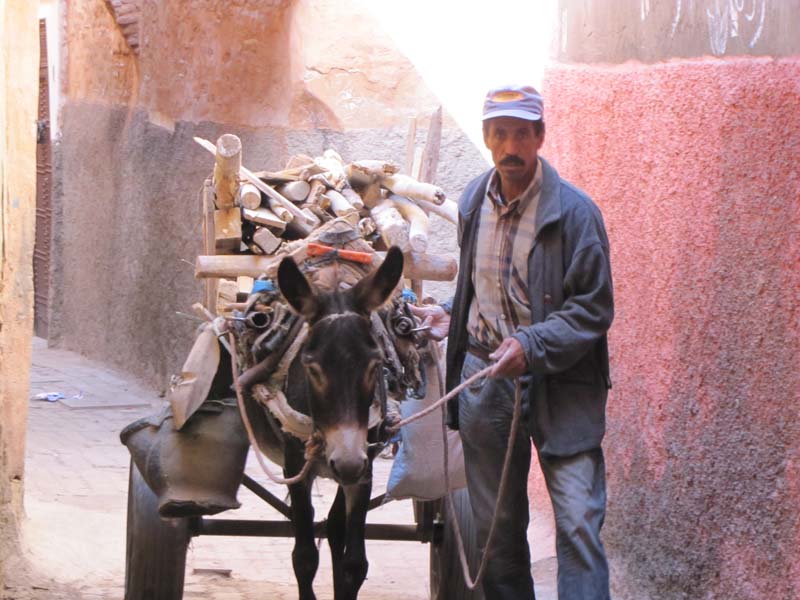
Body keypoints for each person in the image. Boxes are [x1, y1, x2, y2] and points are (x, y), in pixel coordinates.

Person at [410, 84, 614, 600]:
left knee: (578, 526)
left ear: (540, 137)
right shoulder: (474, 200)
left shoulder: (576, 214)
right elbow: (481, 288)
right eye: (500, 134)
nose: (510, 147)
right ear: (486, 138)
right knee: (496, 537)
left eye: (521, 134)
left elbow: (593, 308)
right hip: (486, 388)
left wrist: (531, 344)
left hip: (561, 387)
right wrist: (450, 316)